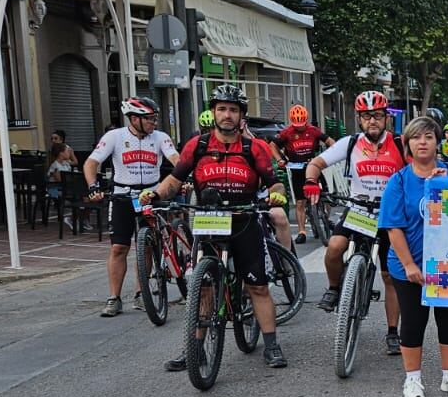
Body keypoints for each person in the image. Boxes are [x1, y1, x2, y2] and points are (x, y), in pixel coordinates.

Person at [146, 84, 291, 370]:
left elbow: (274, 181)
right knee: (205, 288)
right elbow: (174, 180)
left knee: (258, 287)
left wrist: (277, 194)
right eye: (222, 109)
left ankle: (272, 345)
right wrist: (155, 195)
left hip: (244, 219)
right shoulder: (197, 145)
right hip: (209, 220)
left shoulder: (254, 147)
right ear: (213, 113)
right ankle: (195, 349)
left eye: (233, 110)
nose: (227, 115)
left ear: (241, 116)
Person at [304, 90, 407, 355]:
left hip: (388, 215)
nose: (372, 121)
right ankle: (335, 288)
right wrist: (311, 183)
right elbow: (315, 163)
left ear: (386, 118)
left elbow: (420, 166)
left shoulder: (398, 143)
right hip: (358, 209)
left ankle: (393, 332)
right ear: (359, 120)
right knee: (335, 247)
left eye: (377, 116)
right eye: (366, 117)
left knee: (389, 276)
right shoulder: (350, 143)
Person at [380, 116, 448, 397]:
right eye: (417, 137)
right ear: (407, 144)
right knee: (413, 322)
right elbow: (393, 228)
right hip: (409, 266)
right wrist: (409, 265)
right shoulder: (399, 181)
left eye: (429, 137)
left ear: (437, 142)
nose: (423, 142)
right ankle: (413, 379)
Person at [84, 96, 178, 317]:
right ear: (134, 119)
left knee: (145, 245)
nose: (154, 123)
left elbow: (176, 158)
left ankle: (140, 294)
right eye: (150, 119)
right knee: (119, 248)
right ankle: (114, 298)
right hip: (123, 196)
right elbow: (91, 163)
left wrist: (185, 175)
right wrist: (92, 186)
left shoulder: (161, 138)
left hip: (150, 196)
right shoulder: (115, 137)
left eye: (155, 119)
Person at [273, 103, 332, 244]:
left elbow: (330, 141)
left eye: (301, 124)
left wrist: (331, 155)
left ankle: (327, 218)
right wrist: (280, 159)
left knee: (326, 195)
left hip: (313, 166)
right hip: (296, 169)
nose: (299, 127)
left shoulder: (313, 131)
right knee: (300, 201)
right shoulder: (287, 133)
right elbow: (272, 145)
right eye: (296, 124)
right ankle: (302, 231)